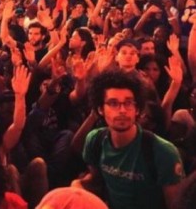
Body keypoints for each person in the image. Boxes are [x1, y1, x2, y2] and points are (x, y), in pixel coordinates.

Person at [73, 69, 185, 209]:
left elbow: (176, 205)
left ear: (137, 109)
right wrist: (78, 186)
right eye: (113, 103)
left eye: (128, 103)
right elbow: (95, 181)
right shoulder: (95, 140)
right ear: (100, 109)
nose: (122, 110)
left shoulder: (163, 151)